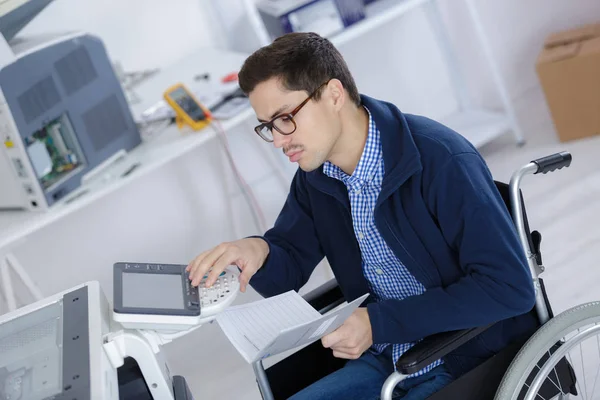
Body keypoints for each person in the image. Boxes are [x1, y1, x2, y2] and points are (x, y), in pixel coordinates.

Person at [186, 32, 538, 400]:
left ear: (334, 94)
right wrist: (257, 250)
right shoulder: (316, 178)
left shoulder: (442, 161)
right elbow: (287, 266)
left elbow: (509, 288)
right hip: (387, 360)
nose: (277, 140)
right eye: (267, 126)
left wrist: (377, 323)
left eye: (285, 118)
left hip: (470, 357)